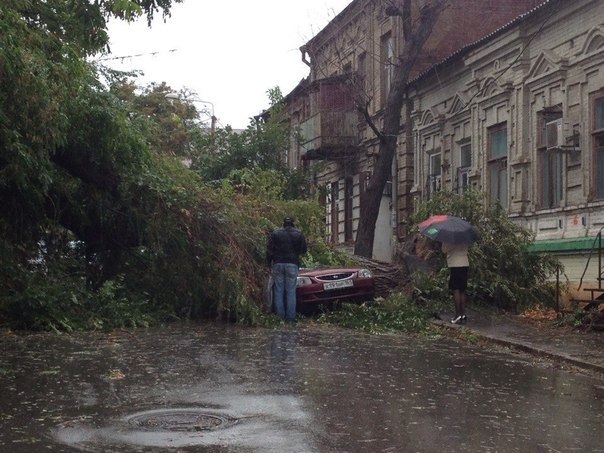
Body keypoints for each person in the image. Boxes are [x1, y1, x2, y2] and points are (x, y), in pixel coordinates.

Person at [266, 217, 307, 322]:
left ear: (283, 223)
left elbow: (269, 250)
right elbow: (303, 250)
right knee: (291, 291)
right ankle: (290, 319)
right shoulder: (299, 233)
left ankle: (280, 318)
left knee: (278, 290)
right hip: (292, 264)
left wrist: (268, 264)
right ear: (293, 223)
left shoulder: (275, 233)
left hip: (278, 264)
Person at [441, 241, 469, 324]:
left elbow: (444, 250)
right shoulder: (464, 237)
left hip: (455, 265)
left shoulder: (450, 239)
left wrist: (444, 241)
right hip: (465, 264)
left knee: (455, 289)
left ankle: (457, 315)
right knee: (462, 289)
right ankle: (463, 313)